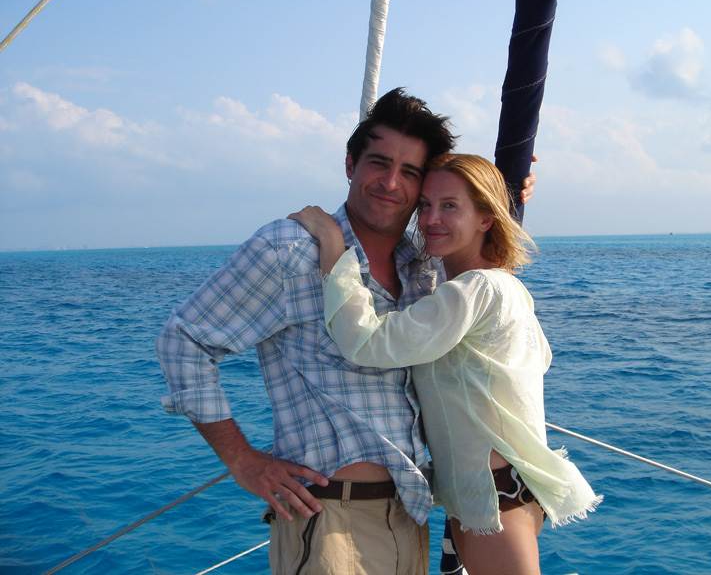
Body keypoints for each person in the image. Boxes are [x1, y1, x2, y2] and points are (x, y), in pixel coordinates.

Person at [156, 89, 534, 575]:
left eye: (410, 172)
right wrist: (242, 460)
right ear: (350, 163)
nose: (391, 183)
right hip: (329, 520)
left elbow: (475, 250)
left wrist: (507, 191)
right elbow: (183, 340)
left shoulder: (422, 264)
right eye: (379, 163)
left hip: (409, 515)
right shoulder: (289, 250)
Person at [290, 154, 601, 575]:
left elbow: (367, 341)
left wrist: (332, 245)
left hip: (492, 496)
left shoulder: (472, 291)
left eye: (450, 206)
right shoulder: (502, 286)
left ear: (486, 218)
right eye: (425, 205)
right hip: (505, 489)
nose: (431, 219)